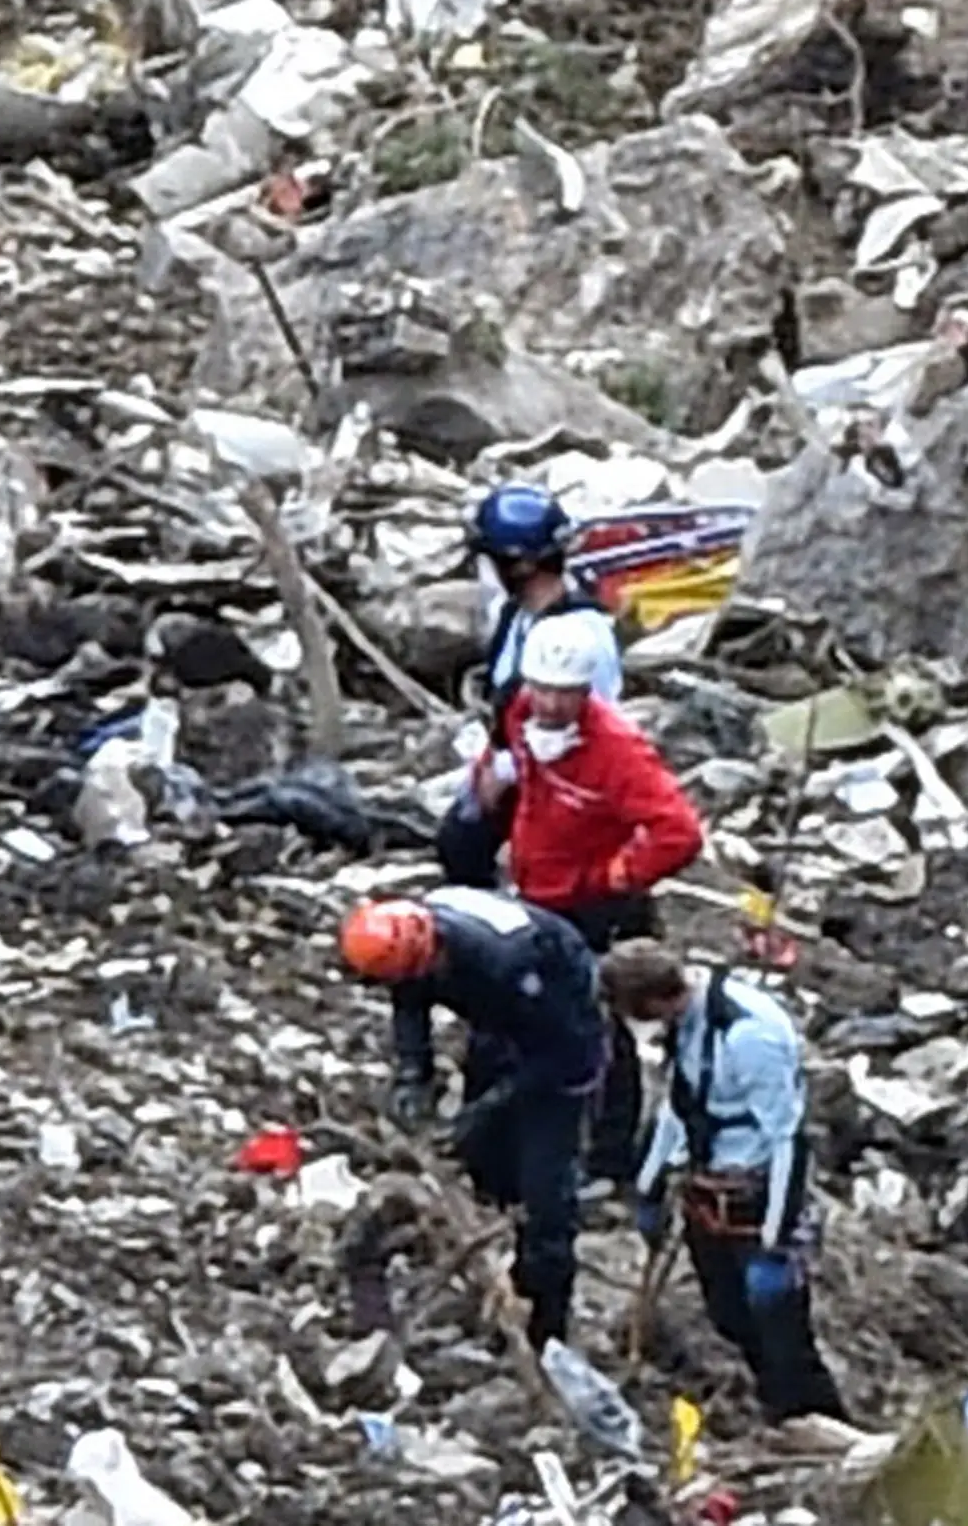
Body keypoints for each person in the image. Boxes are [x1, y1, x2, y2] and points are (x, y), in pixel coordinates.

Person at [487, 615, 705, 1186]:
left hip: (592, 905)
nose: (550, 704)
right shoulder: (519, 715)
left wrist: (617, 874)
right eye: (542, 689)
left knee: (601, 1025)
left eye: (565, 693)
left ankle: (610, 1158)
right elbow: (520, 772)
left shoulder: (617, 753)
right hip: (536, 895)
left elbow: (679, 832)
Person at [608, 942, 855, 1434]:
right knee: (728, 1314)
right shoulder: (686, 1026)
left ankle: (822, 1425)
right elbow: (679, 1107)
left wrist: (777, 1235)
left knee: (779, 1324)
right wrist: (650, 1186)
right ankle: (776, 1414)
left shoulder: (748, 1036)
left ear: (653, 1000)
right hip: (706, 1189)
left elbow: (787, 1139)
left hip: (757, 1192)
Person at [344, 889, 606, 1350]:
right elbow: (409, 1003)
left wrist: (485, 1109)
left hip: (561, 1033)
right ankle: (494, 1247)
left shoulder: (507, 962)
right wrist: (412, 1074)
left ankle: (544, 1325)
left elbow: (560, 1054)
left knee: (545, 1192)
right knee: (485, 1160)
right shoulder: (412, 944)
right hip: (500, 1020)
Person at [436, 483, 623, 887]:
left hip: (563, 783)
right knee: (459, 841)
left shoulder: (583, 636)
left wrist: (508, 772)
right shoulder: (516, 617)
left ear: (519, 565)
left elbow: (588, 733)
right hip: (517, 766)